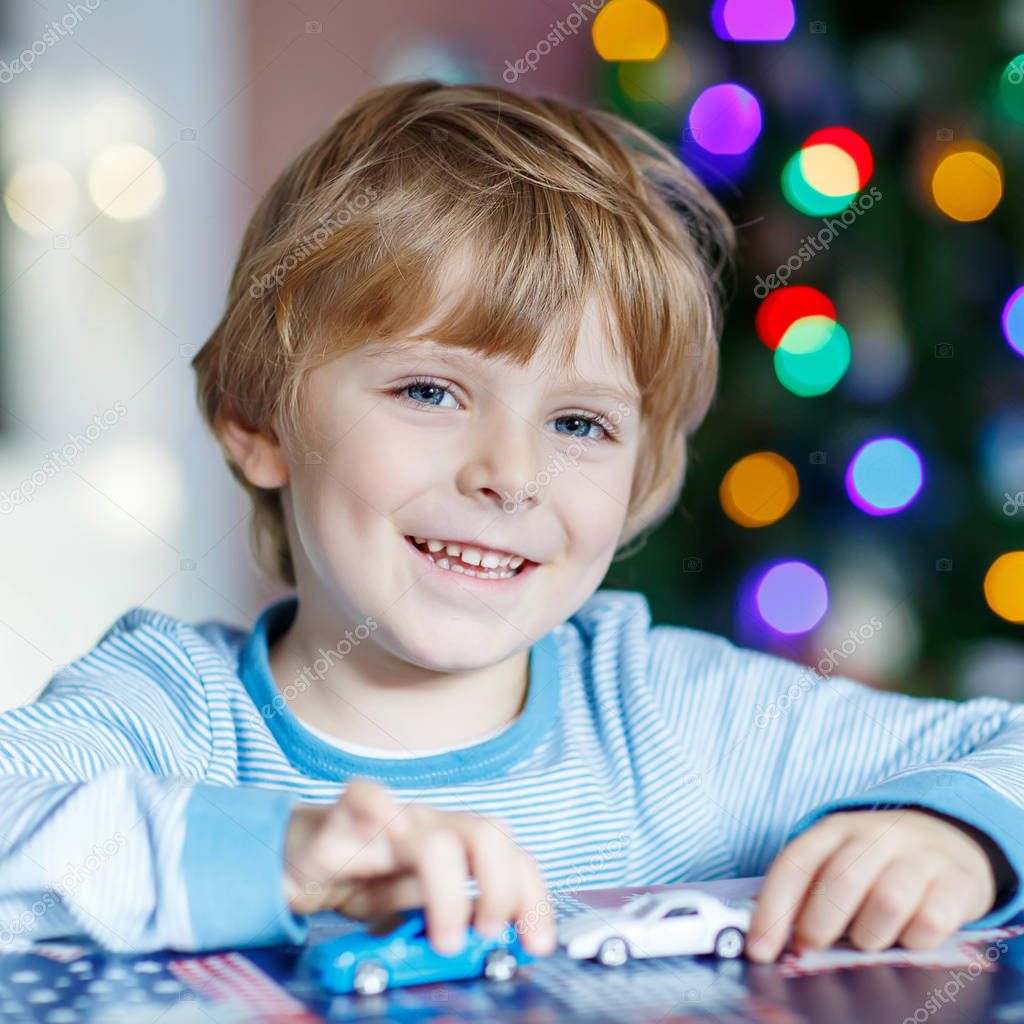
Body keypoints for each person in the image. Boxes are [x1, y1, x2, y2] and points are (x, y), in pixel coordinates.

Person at [1, 80, 1020, 965]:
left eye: (578, 421)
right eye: (431, 392)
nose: (510, 474)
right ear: (258, 421)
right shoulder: (174, 712)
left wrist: (951, 835)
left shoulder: (671, 715)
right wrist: (282, 852)